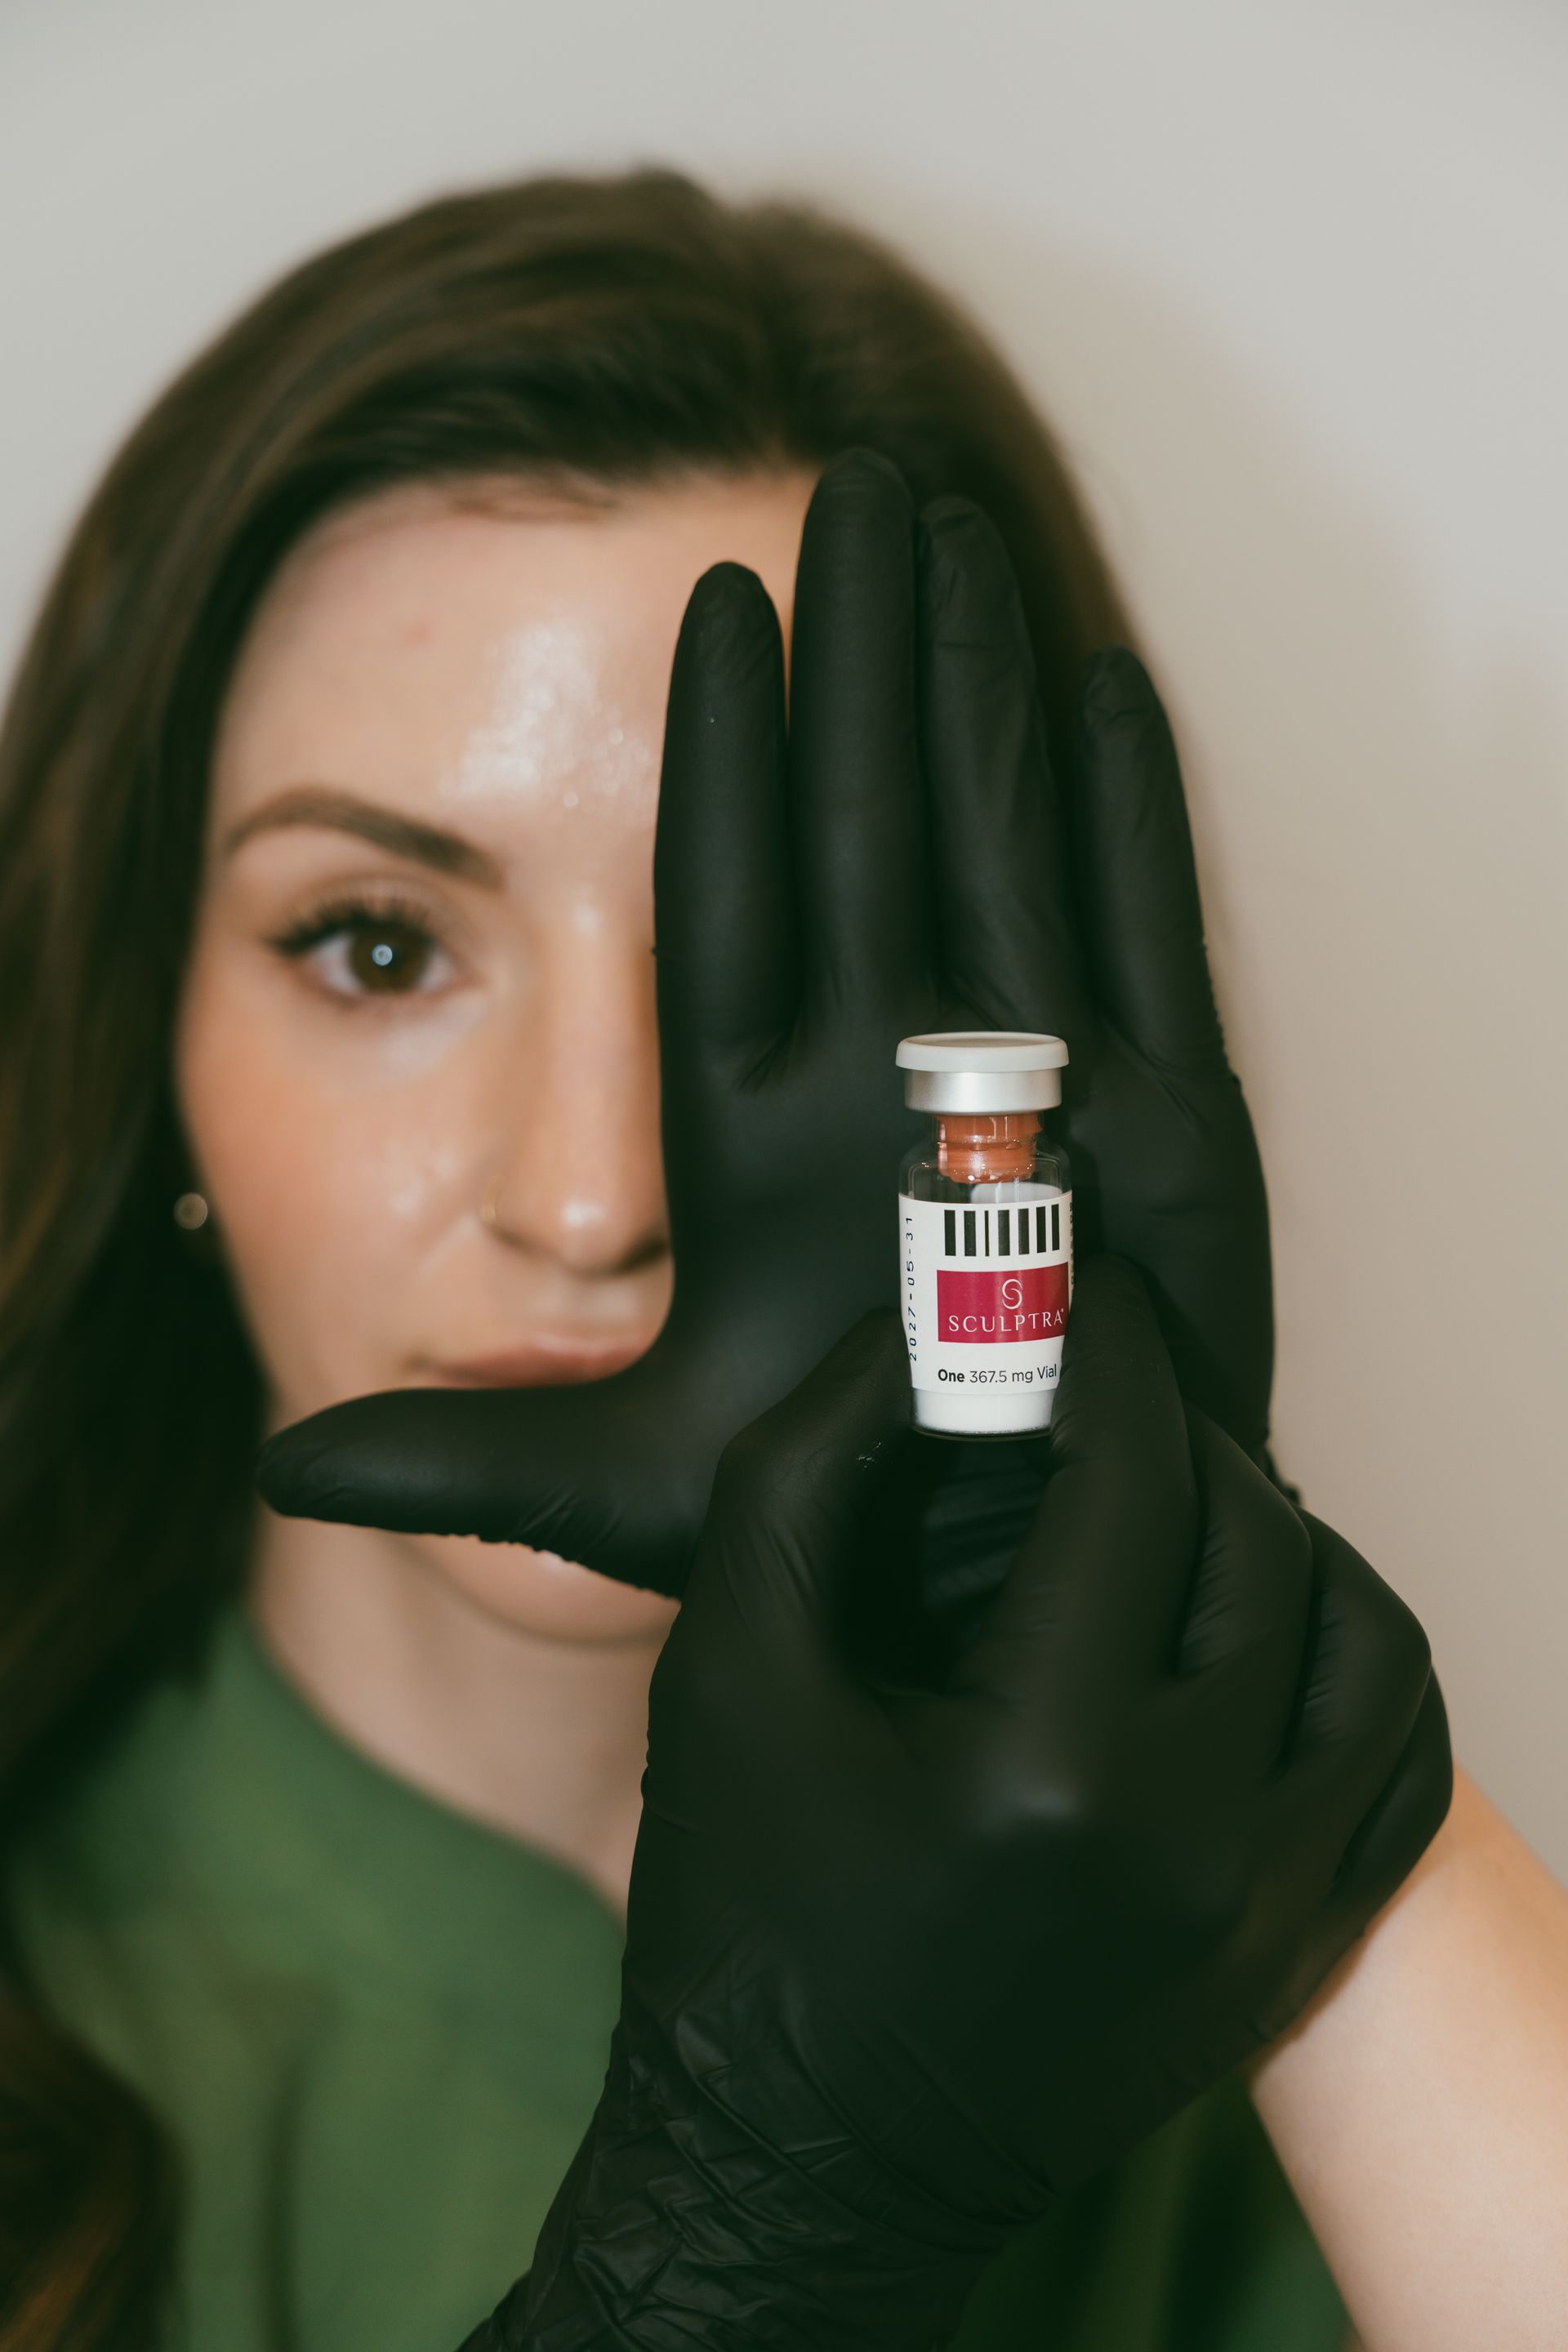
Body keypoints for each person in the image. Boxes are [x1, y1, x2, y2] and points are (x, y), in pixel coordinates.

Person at [0, 171, 1561, 2352]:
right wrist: (732, 2247)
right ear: (142, 1028)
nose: (585, 1196)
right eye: (378, 946)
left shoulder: (1232, 2055)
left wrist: (1286, 1718)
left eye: (778, 971)